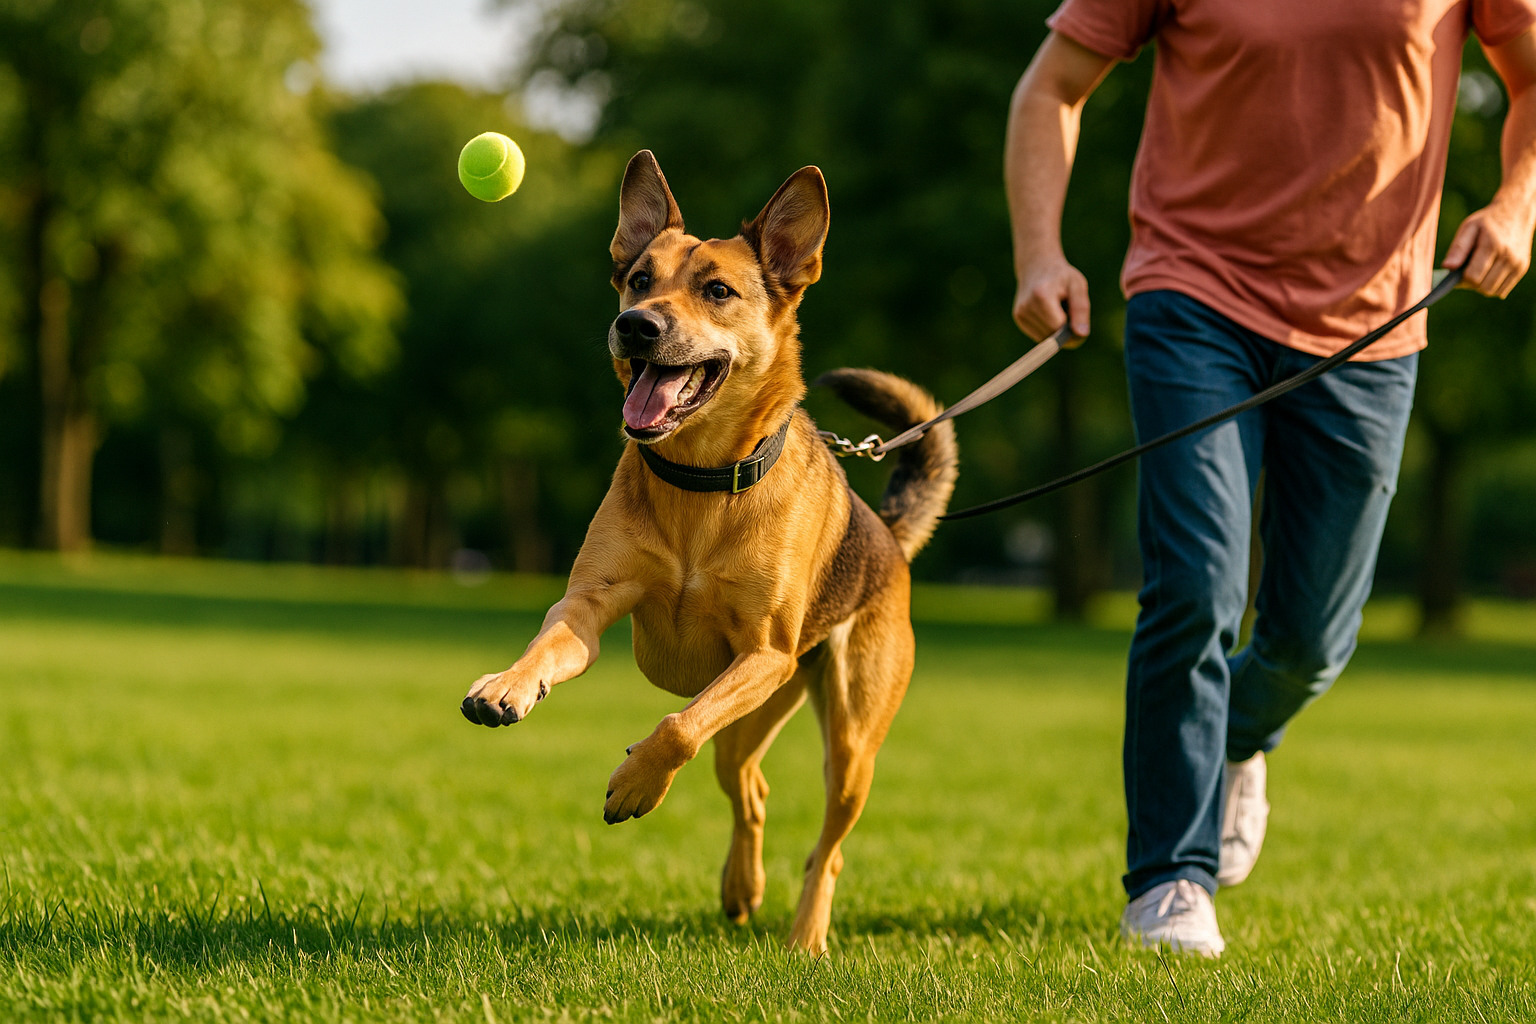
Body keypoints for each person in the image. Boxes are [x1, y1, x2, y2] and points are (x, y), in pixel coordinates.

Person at [1005, 0, 1536, 956]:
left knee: (1312, 639)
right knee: (1196, 588)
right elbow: (1052, 88)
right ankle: (1170, 879)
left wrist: (1517, 203)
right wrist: (1038, 255)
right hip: (1191, 297)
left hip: (1373, 324)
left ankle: (1238, 735)